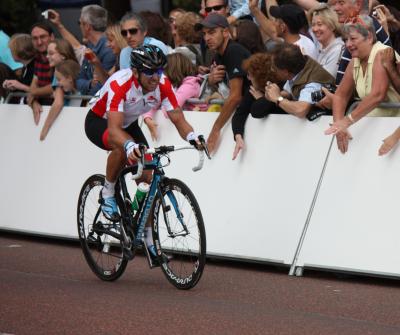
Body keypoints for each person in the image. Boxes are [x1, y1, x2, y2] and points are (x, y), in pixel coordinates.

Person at [84, 45, 205, 261]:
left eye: (159, 71)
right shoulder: (120, 84)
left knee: (148, 180)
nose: (155, 77)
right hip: (100, 122)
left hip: (128, 124)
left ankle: (149, 243)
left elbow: (177, 118)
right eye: (150, 72)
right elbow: (114, 130)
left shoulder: (163, 84)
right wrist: (129, 146)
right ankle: (108, 193)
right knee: (123, 147)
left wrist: (192, 137)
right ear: (136, 72)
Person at [324, 15, 400, 153]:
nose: (347, 44)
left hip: (392, 127)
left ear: (369, 37)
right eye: (345, 40)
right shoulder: (354, 61)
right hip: (371, 127)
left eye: (353, 39)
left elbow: (378, 95)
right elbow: (340, 96)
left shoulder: (381, 53)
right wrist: (338, 126)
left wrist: (346, 121)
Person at [195, 13, 251, 154]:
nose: (207, 38)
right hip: (245, 114)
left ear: (225, 32)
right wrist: (212, 82)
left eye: (212, 32)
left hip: (258, 113)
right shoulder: (218, 54)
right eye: (205, 34)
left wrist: (215, 129)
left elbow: (235, 97)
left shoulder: (233, 51)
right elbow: (226, 91)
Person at [232, 52, 283, 160]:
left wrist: (261, 99)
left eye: (250, 75)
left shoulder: (278, 87)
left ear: (260, 76)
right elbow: (240, 114)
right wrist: (238, 136)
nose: (248, 78)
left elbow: (257, 112)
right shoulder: (253, 89)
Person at [143, 52, 206, 140]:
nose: (161, 75)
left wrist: (163, 101)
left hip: (202, 126)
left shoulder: (190, 85)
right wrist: (147, 118)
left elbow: (169, 109)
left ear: (173, 70)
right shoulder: (175, 85)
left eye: (164, 70)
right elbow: (152, 102)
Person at [264, 42, 335, 119]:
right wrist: (273, 94)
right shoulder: (298, 68)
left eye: (274, 68)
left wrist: (278, 99)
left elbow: (301, 110)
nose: (271, 70)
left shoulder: (312, 84)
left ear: (285, 72)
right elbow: (290, 92)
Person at [39, 40, 80, 140]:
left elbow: (58, 103)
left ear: (63, 55)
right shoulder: (75, 66)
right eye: (47, 53)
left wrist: (45, 127)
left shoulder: (59, 70)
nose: (47, 56)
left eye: (51, 53)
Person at [76, 5, 116, 96]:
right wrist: (90, 83)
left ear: (87, 26)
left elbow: (102, 88)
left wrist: (86, 89)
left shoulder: (109, 49)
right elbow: (78, 81)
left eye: (79, 23)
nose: (79, 26)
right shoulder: (90, 46)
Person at [307, 3, 345, 77]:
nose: (315, 29)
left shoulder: (338, 49)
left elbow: (324, 79)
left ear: (332, 26)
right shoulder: (319, 46)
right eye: (313, 24)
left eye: (319, 24)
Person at [2, 34, 35, 100]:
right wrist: (14, 86)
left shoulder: (34, 68)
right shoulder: (26, 67)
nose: (10, 53)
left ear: (20, 50)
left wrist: (19, 86)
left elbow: (39, 91)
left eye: (11, 50)